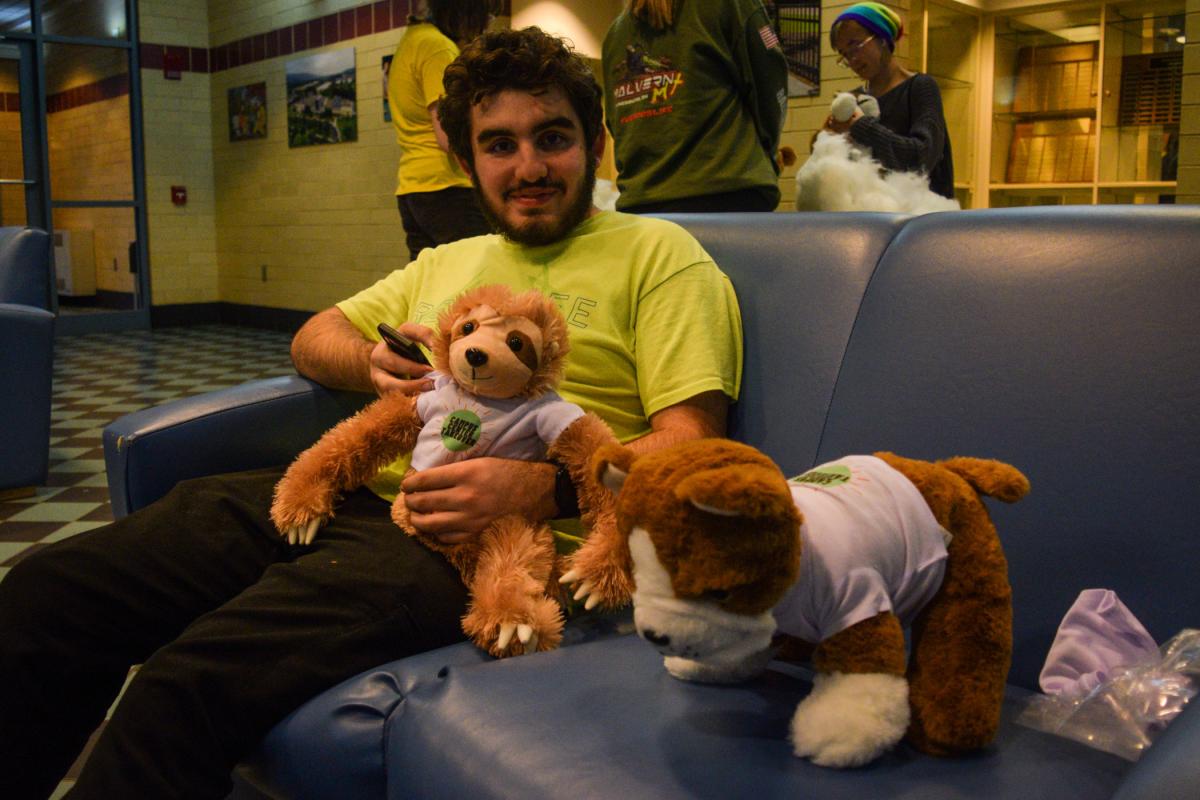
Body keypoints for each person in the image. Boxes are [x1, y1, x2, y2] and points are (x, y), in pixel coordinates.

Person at [0, 26, 742, 800]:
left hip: (476, 552)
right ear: (466, 161)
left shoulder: (662, 256)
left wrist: (542, 490)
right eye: (500, 145)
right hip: (356, 498)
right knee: (46, 591)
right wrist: (369, 362)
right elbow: (312, 335)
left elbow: (690, 450)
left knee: (184, 684)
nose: (528, 168)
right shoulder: (445, 261)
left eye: (552, 138)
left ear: (595, 142)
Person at [601, 0, 788, 213]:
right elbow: (771, 86)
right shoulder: (729, 5)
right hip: (727, 194)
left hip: (643, 205)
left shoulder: (614, 36)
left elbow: (615, 123)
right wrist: (768, 152)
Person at [388, 0, 493, 261]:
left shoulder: (410, 41)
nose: (488, 23)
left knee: (429, 285)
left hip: (413, 188)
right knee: (477, 272)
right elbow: (447, 135)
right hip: (447, 186)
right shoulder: (437, 47)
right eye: (486, 13)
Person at [822, 2, 955, 199]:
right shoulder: (854, 99)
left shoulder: (920, 87)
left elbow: (922, 157)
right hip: (871, 217)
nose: (852, 60)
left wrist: (860, 127)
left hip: (920, 219)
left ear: (882, 39)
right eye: (844, 55)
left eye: (855, 46)